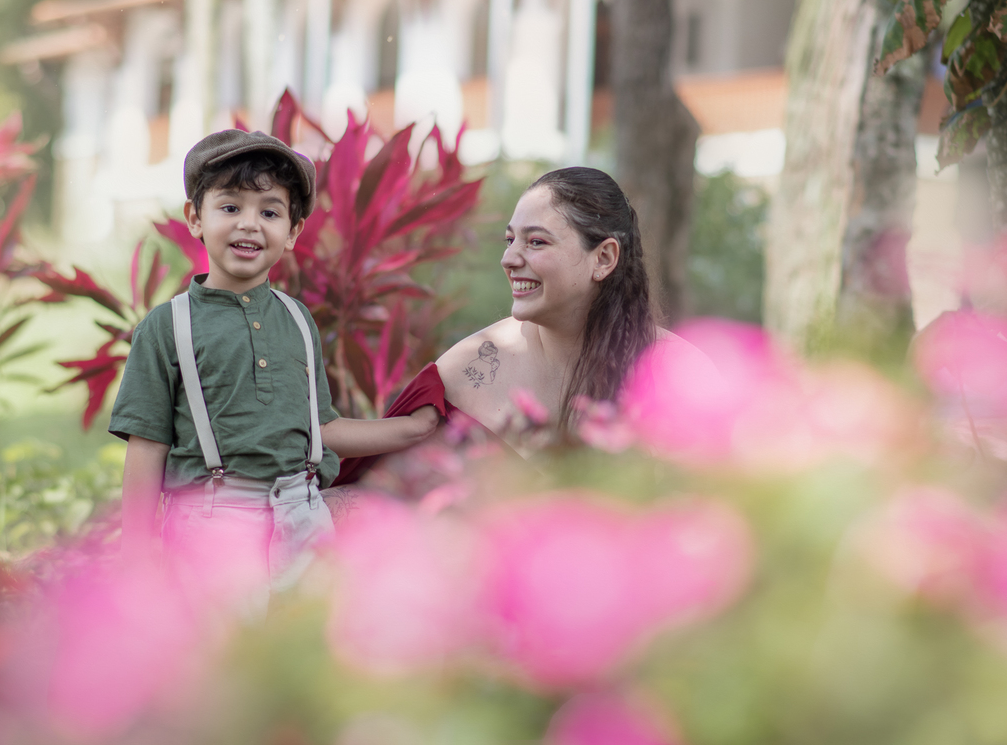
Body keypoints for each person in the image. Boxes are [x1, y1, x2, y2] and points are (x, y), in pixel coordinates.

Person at [109, 129, 436, 605]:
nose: (249, 224)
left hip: (302, 514)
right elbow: (146, 450)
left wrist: (412, 429)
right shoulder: (166, 326)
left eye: (269, 211)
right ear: (195, 218)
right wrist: (137, 559)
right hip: (214, 523)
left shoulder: (296, 319)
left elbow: (321, 428)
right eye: (230, 207)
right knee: (226, 662)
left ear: (293, 232)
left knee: (303, 649)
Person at [336, 166, 712, 486]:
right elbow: (379, 492)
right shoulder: (470, 366)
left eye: (535, 241)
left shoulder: (681, 376)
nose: (509, 258)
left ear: (604, 257)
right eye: (509, 239)